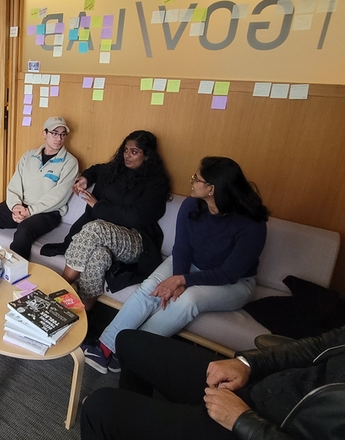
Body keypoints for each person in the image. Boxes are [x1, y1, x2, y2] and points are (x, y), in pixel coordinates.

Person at [80, 201, 345, 440]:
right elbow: (316, 346)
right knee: (130, 341)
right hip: (256, 388)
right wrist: (246, 363)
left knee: (99, 406)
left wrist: (242, 420)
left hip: (252, 426)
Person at [82, 156, 269, 374]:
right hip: (190, 265)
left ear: (212, 188)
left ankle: (130, 351)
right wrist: (177, 278)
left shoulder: (252, 224)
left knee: (186, 301)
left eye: (196, 178)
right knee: (150, 288)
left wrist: (182, 280)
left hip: (234, 283)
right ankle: (106, 346)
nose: (191, 181)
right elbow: (182, 248)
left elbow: (228, 273)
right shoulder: (191, 205)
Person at [44, 130, 170, 309]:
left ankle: (59, 289)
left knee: (95, 227)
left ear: (147, 155)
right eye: (126, 150)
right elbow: (96, 170)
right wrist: (85, 180)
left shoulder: (156, 183)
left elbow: (134, 217)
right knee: (99, 256)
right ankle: (84, 313)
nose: (127, 156)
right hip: (107, 239)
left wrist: (98, 206)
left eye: (134, 152)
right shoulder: (117, 170)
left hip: (135, 241)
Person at [0, 116, 78, 269]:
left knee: (24, 230)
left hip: (47, 213)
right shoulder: (29, 156)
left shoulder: (70, 162)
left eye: (62, 134)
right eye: (54, 133)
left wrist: (30, 211)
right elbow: (15, 184)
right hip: (21, 206)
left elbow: (59, 196)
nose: (59, 138)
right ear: (44, 133)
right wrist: (16, 206)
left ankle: (13, 275)